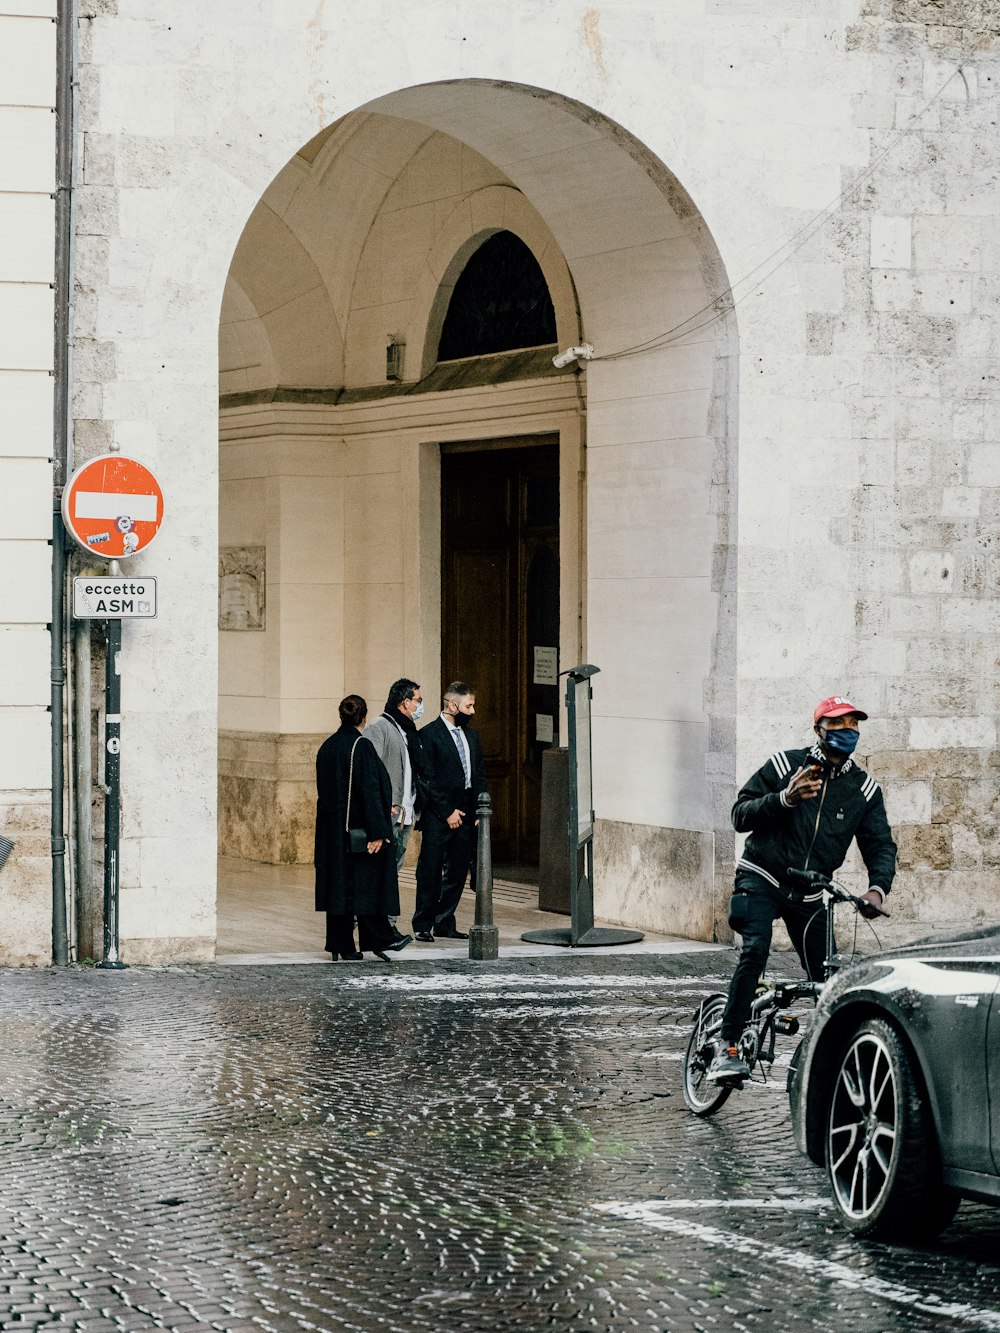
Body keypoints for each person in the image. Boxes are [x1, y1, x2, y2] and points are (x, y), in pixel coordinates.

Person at [709, 695, 896, 1082]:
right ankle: (726, 1049)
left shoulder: (863, 790)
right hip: (761, 877)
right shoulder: (785, 765)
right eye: (838, 724)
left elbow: (880, 844)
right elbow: (739, 814)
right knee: (755, 950)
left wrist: (876, 890)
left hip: (810, 892)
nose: (847, 732)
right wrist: (783, 799)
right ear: (818, 729)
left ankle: (834, 1062)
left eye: (853, 725)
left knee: (830, 981)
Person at [314, 694, 412, 961]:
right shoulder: (362, 746)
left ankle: (341, 944)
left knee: (339, 888)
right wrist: (379, 831)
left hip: (332, 832)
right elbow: (369, 790)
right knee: (370, 883)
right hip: (359, 833)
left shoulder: (328, 747)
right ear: (364, 717)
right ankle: (380, 937)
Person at [412, 681, 486, 941]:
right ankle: (423, 923)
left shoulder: (472, 736)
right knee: (430, 869)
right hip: (438, 814)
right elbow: (426, 779)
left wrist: (479, 811)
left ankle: (445, 921)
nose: (472, 711)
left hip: (466, 812)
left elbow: (478, 774)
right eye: (468, 705)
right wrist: (447, 811)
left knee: (457, 870)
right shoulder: (429, 735)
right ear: (452, 705)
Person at [364, 678, 426, 943]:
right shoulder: (380, 727)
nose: (420, 705)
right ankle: (379, 925)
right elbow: (371, 768)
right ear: (404, 702)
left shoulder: (408, 730)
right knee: (382, 872)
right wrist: (383, 803)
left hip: (407, 812)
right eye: (418, 701)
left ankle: (382, 924)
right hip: (389, 812)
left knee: (394, 869)